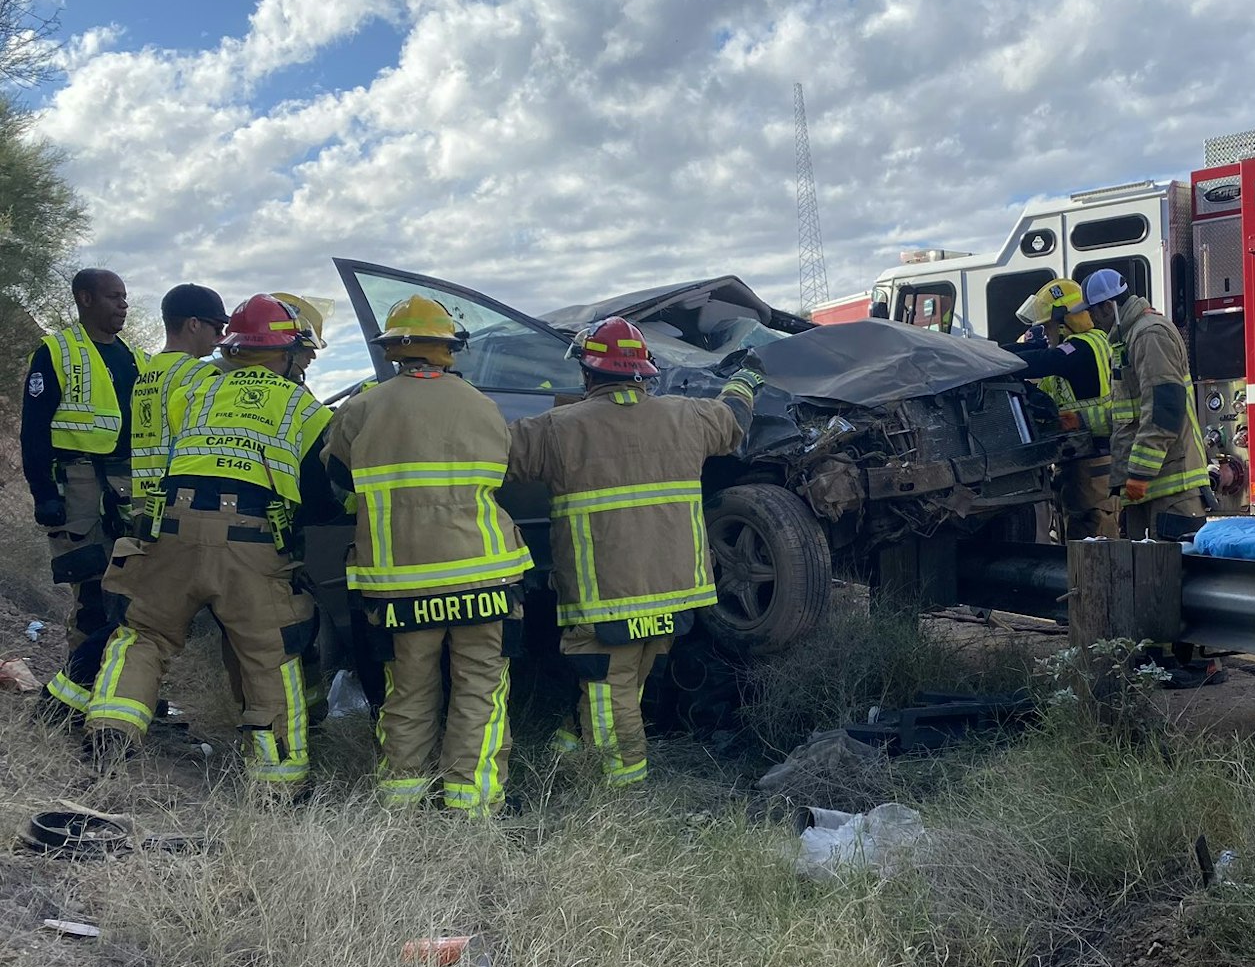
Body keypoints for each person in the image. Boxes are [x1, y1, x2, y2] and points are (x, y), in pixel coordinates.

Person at [85, 295, 338, 790]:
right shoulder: (301, 407)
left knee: (146, 634)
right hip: (250, 543)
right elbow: (323, 490)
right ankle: (279, 780)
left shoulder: (197, 392)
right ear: (285, 352)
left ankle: (112, 725)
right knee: (270, 655)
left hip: (172, 531)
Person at [505, 317, 759, 788]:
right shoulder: (688, 416)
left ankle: (620, 794)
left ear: (588, 373)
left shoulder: (556, 429)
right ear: (643, 372)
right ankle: (573, 752)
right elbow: (734, 421)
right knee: (630, 680)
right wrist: (744, 381)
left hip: (607, 596)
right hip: (677, 592)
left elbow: (487, 454)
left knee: (609, 689)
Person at [322, 295, 531, 818]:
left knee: (409, 689)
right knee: (481, 686)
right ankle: (473, 803)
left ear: (393, 348)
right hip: (484, 575)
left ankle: (403, 802)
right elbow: (503, 476)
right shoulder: (482, 405)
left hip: (400, 582)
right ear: (448, 349)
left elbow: (336, 480)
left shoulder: (362, 407)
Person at [20, 268, 141, 720]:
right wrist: (42, 493)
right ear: (85, 299)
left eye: (126, 297)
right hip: (77, 488)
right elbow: (33, 430)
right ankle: (76, 695)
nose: (123, 305)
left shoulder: (133, 357)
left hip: (125, 487)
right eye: (114, 297)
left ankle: (116, 687)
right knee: (91, 593)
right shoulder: (56, 351)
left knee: (128, 591)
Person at [1084, 269, 1206, 539]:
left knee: (1168, 576)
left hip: (1171, 488)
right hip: (1151, 489)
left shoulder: (1149, 334)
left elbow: (1164, 408)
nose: (1091, 320)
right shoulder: (1128, 339)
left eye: (1093, 312)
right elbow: (1126, 413)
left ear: (1108, 306)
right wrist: (1080, 422)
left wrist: (1140, 472)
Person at [1009, 278, 1123, 540]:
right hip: (1077, 463)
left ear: (1064, 321)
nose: (1046, 332)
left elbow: (1040, 361)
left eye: (1048, 325)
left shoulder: (1086, 345)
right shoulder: (1070, 350)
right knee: (1074, 537)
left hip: (1094, 462)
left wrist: (992, 359)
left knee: (1094, 540)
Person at [129, 283, 227, 532]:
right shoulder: (202, 374)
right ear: (194, 324)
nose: (221, 337)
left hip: (143, 497)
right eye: (217, 327)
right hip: (183, 498)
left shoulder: (145, 371)